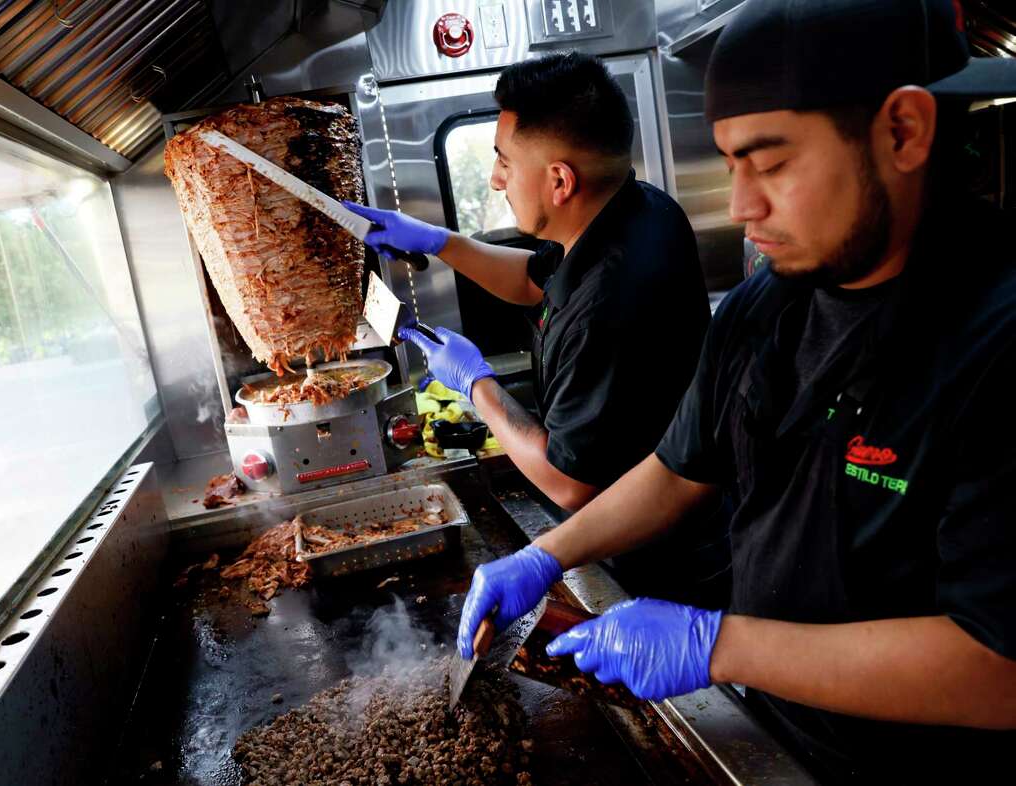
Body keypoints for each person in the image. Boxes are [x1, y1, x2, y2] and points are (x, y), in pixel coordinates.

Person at [454, 0, 1016, 781]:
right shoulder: (770, 302)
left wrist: (717, 644)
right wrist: (545, 555)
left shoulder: (994, 338)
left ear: (903, 132)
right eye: (730, 166)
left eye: (772, 162)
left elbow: (999, 667)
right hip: (775, 732)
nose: (744, 207)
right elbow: (681, 469)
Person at [346, 53, 724, 605]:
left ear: (560, 181)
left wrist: (478, 385)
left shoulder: (611, 301)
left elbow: (570, 483)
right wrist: (438, 240)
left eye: (503, 162)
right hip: (657, 526)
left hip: (665, 558)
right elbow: (531, 280)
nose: (496, 179)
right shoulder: (637, 210)